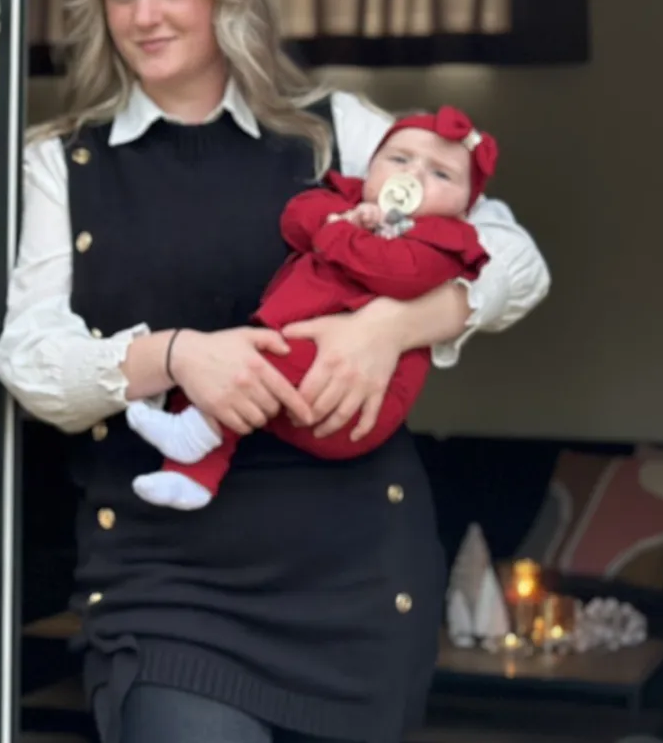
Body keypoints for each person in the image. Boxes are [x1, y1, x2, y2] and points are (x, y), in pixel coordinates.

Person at [0, 0, 549, 743]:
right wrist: (177, 357)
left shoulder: (340, 133)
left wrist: (390, 329)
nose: (146, 15)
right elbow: (30, 360)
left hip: (353, 576)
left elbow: (515, 256)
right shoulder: (63, 163)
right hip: (168, 583)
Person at [126, 106, 501, 510]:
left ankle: (195, 431)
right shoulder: (346, 200)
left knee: (243, 370)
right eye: (399, 159)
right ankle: (189, 478)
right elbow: (296, 219)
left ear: (465, 204)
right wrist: (343, 218)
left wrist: (341, 232)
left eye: (441, 173)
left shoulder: (446, 240)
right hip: (294, 364)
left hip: (349, 401)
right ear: (372, 166)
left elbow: (394, 274)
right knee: (215, 373)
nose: (412, 176)